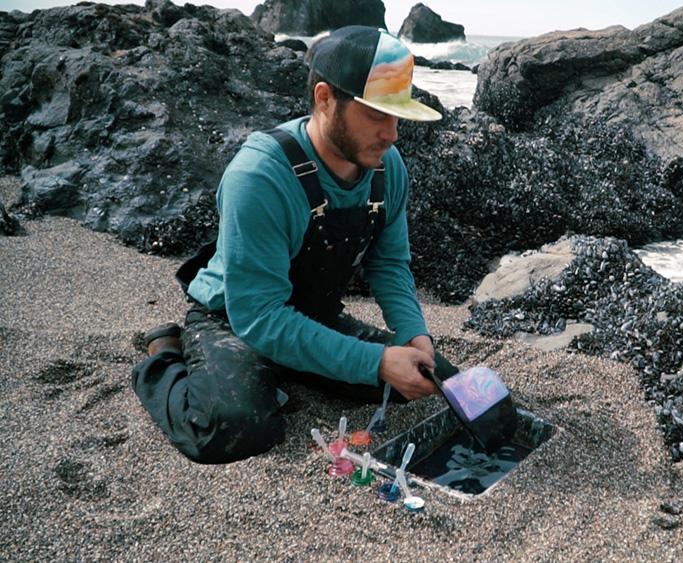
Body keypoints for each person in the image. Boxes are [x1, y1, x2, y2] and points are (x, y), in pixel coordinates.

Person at [131, 26, 457, 464]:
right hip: (234, 318)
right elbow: (259, 316)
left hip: (309, 314)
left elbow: (390, 263)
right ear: (325, 98)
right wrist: (376, 361)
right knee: (235, 428)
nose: (393, 134)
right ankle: (164, 356)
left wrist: (414, 336)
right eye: (378, 115)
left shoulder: (387, 168)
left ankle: (289, 368)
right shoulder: (259, 176)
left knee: (439, 380)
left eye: (397, 116)